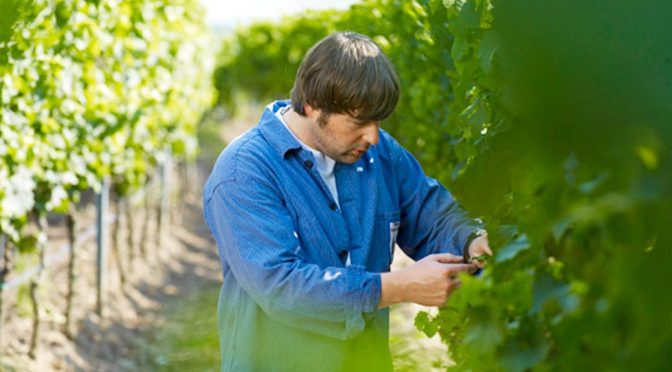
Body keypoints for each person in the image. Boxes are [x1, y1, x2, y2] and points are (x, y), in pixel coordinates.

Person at [203, 31, 492, 372]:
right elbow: (281, 286)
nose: (372, 136)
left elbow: (431, 217)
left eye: (378, 122)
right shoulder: (244, 171)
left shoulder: (381, 154)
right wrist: (395, 287)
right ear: (312, 105)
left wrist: (473, 240)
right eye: (359, 122)